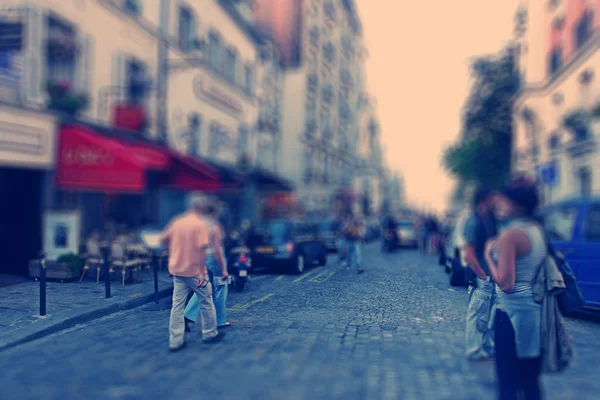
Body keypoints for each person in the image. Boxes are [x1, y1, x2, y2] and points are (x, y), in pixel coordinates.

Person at [484, 177, 547, 400]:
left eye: (503, 201)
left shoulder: (510, 235)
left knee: (507, 384)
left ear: (517, 205)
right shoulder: (536, 230)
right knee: (530, 381)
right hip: (535, 314)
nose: (498, 205)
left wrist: (487, 256)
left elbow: (506, 283)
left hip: (510, 316)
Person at [160, 192, 225, 351]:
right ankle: (210, 333)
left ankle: (175, 341)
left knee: (177, 306)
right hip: (195, 272)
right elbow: (202, 250)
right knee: (206, 301)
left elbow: (163, 240)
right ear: (201, 206)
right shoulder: (199, 224)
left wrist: (174, 251)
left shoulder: (177, 222)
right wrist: (202, 272)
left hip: (178, 270)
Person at [184, 199, 230, 330]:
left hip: (200, 258)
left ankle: (187, 315)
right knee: (221, 288)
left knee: (203, 287)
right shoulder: (214, 226)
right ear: (215, 212)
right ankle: (220, 320)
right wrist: (223, 269)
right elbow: (217, 249)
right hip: (213, 259)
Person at [463, 189, 497, 361]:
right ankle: (475, 350)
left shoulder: (489, 219)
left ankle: (486, 348)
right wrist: (483, 276)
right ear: (484, 200)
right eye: (493, 198)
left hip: (491, 278)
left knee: (488, 316)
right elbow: (468, 255)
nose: (496, 201)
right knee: (477, 315)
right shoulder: (474, 221)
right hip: (482, 278)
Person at [343, 210, 365, 274]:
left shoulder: (356, 224)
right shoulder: (347, 225)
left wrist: (361, 240)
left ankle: (358, 268)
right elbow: (344, 233)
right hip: (350, 242)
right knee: (349, 255)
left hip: (356, 242)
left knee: (358, 255)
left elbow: (359, 233)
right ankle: (348, 266)